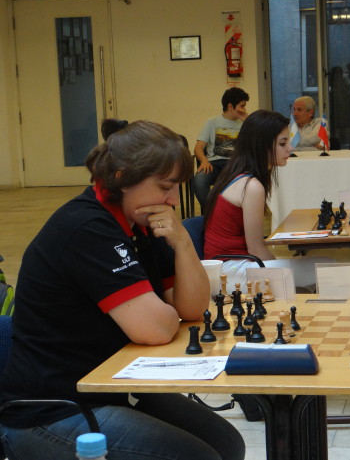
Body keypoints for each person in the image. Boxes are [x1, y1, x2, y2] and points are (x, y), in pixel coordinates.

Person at [0, 119, 245, 460]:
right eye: (165, 186)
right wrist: (162, 312)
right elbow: (156, 329)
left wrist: (183, 243)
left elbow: (191, 309)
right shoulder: (87, 227)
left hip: (112, 385)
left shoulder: (139, 221)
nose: (174, 200)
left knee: (228, 444)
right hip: (54, 410)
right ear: (121, 178)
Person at [204, 109, 331, 293]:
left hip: (232, 266)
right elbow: (256, 250)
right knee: (326, 268)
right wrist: (281, 272)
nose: (291, 148)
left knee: (323, 266)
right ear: (261, 146)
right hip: (229, 273)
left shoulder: (238, 175)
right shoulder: (251, 186)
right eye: (282, 143)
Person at [193, 87, 250, 211]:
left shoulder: (244, 124)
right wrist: (204, 161)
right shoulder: (212, 122)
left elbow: (255, 145)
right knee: (199, 180)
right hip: (213, 164)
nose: (244, 109)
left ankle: (222, 213)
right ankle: (213, 211)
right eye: (242, 106)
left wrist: (248, 122)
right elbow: (198, 148)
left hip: (235, 165)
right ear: (230, 106)